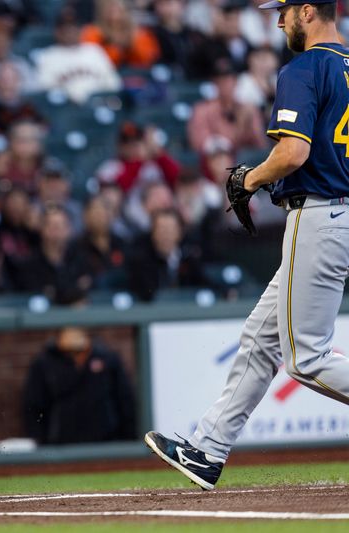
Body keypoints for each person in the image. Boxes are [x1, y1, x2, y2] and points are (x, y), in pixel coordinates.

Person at [145, 0, 349, 491]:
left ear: (307, 12)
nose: (277, 21)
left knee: (307, 358)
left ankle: (207, 449)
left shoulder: (305, 67)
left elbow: (293, 151)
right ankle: (207, 450)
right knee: (261, 339)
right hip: (339, 209)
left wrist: (249, 178)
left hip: (321, 211)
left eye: (283, 11)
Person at [23, 326, 136, 444]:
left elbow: (126, 401)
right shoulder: (44, 362)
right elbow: (33, 406)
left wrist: (128, 440)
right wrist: (42, 443)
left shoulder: (107, 357)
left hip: (106, 443)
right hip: (61, 446)